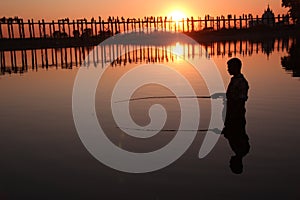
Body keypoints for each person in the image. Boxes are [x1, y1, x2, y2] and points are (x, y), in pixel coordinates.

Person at [222, 58, 250, 174]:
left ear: (236, 68)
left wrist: (229, 126)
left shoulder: (242, 82)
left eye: (229, 67)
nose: (227, 69)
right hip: (232, 119)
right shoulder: (234, 80)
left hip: (236, 119)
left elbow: (240, 101)